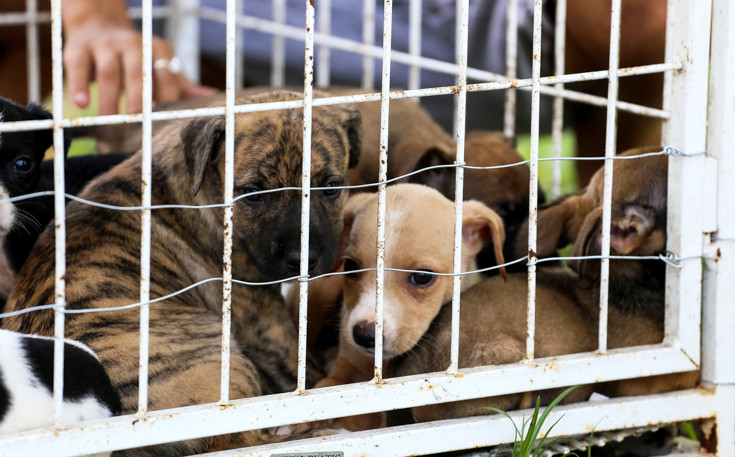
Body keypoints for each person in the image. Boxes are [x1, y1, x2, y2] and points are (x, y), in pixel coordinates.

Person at [1, 0, 666, 185]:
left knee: (645, 14)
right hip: (207, 33)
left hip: (481, 39)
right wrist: (94, 18)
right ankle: (20, 244)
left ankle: (602, 250)